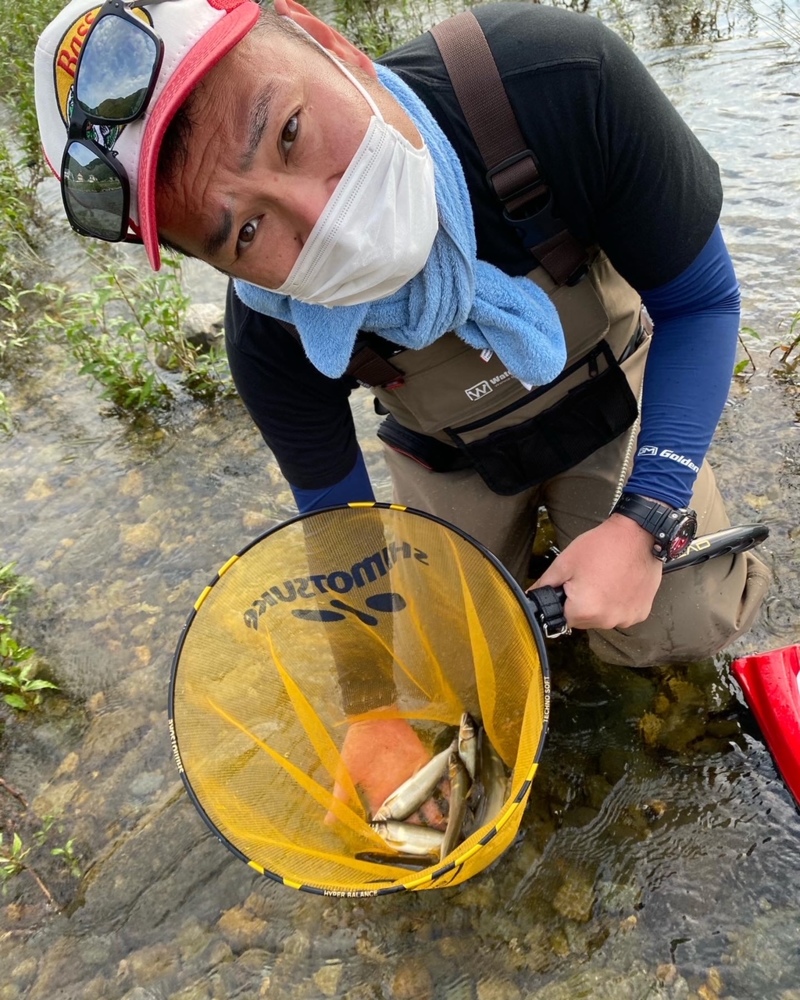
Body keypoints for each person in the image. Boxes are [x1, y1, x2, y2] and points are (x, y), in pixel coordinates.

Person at [35, 0, 770, 817]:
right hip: (458, 452)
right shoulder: (271, 343)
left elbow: (700, 303)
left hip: (606, 394)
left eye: (288, 132)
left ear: (329, 41)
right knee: (451, 675)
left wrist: (647, 520)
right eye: (244, 232)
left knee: (683, 611)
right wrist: (372, 712)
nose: (324, 223)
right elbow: (337, 525)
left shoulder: (555, 80)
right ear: (208, 266)